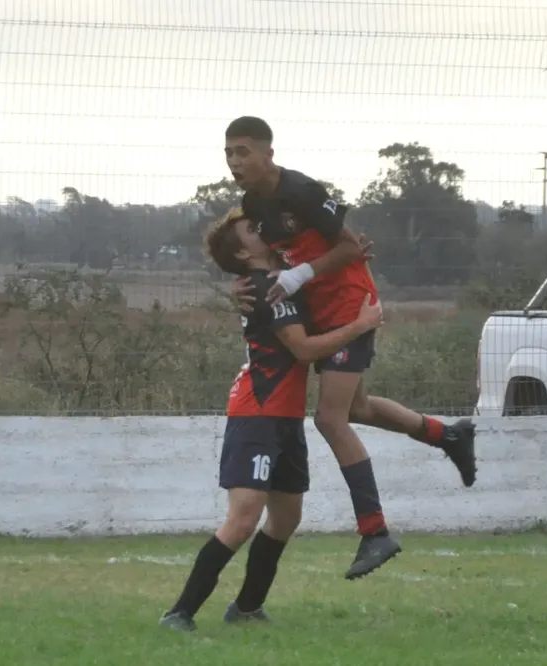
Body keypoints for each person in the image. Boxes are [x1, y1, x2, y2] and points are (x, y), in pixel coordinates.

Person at [222, 115, 477, 580]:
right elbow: (262, 257)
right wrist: (240, 289)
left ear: (267, 153)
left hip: (349, 306)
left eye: (243, 151)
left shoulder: (300, 190)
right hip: (319, 309)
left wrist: (300, 275)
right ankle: (448, 435)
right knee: (356, 408)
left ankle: (375, 530)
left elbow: (351, 248)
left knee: (329, 418)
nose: (235, 161)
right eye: (229, 153)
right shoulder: (252, 204)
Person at [160, 209, 385, 632]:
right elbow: (302, 350)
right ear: (245, 252)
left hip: (284, 418)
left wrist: (346, 257)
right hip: (256, 414)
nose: (261, 228)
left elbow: (311, 276)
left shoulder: (274, 281)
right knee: (244, 517)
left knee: (285, 519)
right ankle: (180, 612)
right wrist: (360, 325)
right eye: (252, 228)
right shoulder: (264, 288)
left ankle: (246, 609)